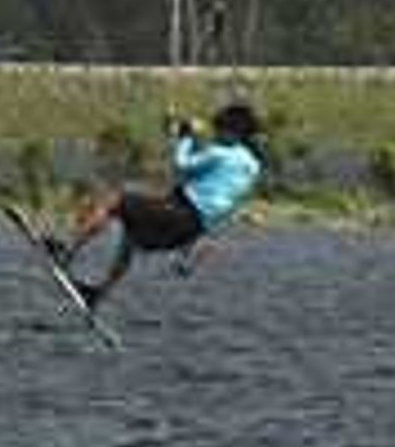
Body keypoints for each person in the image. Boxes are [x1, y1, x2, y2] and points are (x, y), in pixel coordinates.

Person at [55, 97, 264, 309]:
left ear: (235, 133)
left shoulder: (221, 153)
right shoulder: (252, 166)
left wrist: (184, 137)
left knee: (113, 199)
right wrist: (187, 137)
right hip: (191, 230)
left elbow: (181, 165)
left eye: (220, 130)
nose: (216, 134)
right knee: (132, 238)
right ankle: (98, 293)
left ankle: (67, 250)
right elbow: (212, 182)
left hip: (180, 212)